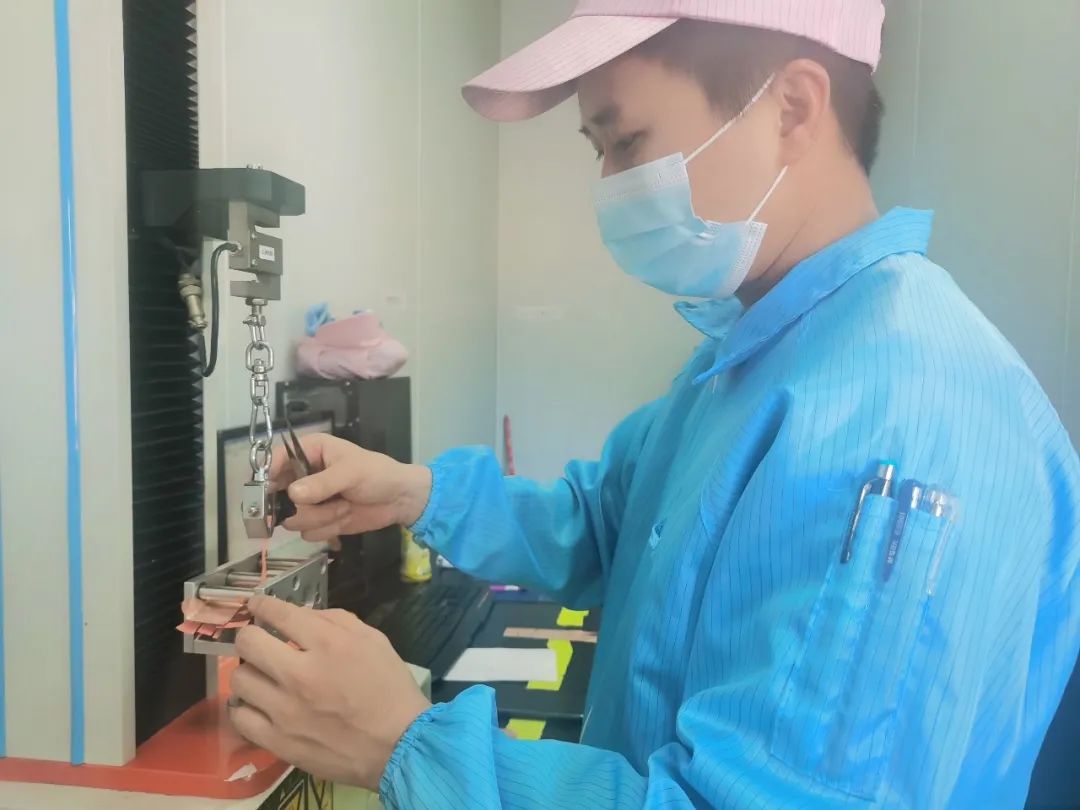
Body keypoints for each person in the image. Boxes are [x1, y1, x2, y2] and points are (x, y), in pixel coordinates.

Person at [227, 3, 1080, 807]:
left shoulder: (905, 419)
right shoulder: (746, 357)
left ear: (792, 106)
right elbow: (610, 524)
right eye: (596, 149)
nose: (609, 184)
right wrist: (416, 494)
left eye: (627, 140)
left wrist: (403, 743)